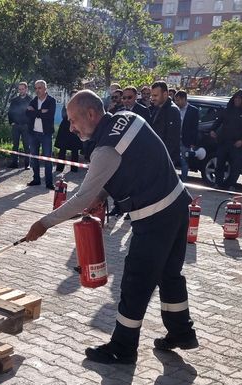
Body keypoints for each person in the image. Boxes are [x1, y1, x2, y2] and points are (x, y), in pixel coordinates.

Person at [21, 90, 197, 365]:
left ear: (91, 114)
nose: (71, 127)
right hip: (177, 205)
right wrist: (102, 195)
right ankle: (182, 332)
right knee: (170, 274)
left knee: (136, 282)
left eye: (73, 120)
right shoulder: (129, 118)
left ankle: (122, 348)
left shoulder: (105, 150)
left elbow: (81, 199)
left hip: (153, 216)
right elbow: (134, 164)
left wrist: (43, 224)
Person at [209, 90, 242, 189]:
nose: (237, 100)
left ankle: (231, 184)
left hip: (237, 144)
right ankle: (218, 182)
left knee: (235, 166)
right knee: (220, 163)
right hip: (223, 141)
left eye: (239, 99)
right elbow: (218, 121)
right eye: (235, 98)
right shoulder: (227, 110)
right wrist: (212, 130)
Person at [26, 80, 57, 189]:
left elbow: (49, 115)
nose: (37, 90)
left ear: (45, 89)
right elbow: (27, 113)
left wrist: (35, 112)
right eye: (36, 88)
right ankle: (36, 179)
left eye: (39, 88)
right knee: (34, 157)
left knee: (47, 158)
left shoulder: (51, 101)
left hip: (46, 134)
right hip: (33, 133)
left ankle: (49, 183)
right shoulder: (33, 101)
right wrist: (40, 112)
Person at [148, 81, 182, 168]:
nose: (152, 98)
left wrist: (162, 157)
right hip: (155, 155)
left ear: (165, 94)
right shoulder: (156, 108)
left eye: (155, 95)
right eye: (152, 95)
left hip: (165, 158)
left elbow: (172, 139)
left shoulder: (172, 110)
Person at [174, 90, 199, 181]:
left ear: (184, 99)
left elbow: (195, 128)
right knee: (172, 160)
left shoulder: (193, 110)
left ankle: (184, 180)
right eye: (175, 100)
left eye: (178, 100)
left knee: (184, 161)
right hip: (175, 139)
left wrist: (193, 142)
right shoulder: (174, 109)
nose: (177, 102)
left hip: (186, 140)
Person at [7, 82, 31, 168]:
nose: (21, 91)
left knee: (26, 145)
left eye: (22, 89)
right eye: (19, 89)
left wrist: (30, 124)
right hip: (16, 126)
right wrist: (12, 122)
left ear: (26, 89)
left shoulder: (30, 100)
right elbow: (10, 112)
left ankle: (27, 164)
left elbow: (33, 113)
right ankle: (14, 163)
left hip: (26, 126)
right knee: (15, 145)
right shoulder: (14, 100)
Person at [55, 103, 83, 173]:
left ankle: (74, 168)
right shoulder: (66, 105)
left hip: (76, 128)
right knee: (62, 149)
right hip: (65, 129)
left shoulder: (80, 106)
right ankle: (59, 168)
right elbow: (64, 116)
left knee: (75, 149)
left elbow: (81, 116)